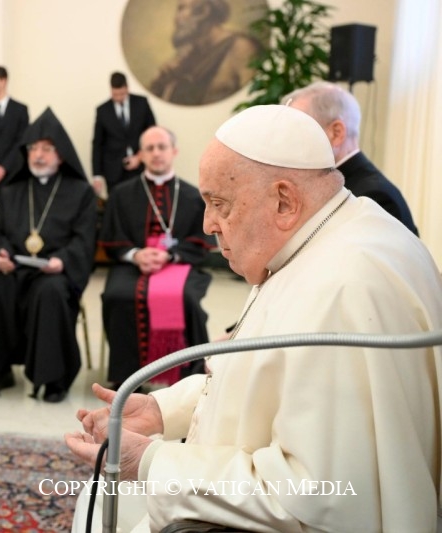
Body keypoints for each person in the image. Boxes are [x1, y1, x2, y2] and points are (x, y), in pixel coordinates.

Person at [66, 105, 442, 532]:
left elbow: (315, 497)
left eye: (219, 203)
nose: (208, 224)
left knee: (103, 510)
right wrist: (161, 409)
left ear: (284, 200)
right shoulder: (330, 236)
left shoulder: (343, 288)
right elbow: (261, 378)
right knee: (97, 501)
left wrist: (151, 460)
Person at [0, 108, 97, 403]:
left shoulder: (80, 192)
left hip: (54, 272)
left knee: (49, 292)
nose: (39, 155)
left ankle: (52, 380)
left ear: (61, 154)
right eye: (34, 148)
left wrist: (62, 260)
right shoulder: (11, 190)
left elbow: (84, 239)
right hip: (13, 268)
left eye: (47, 149)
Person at [100, 126, 212, 388]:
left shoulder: (193, 196)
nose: (156, 153)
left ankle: (187, 374)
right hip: (133, 264)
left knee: (185, 298)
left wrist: (169, 256)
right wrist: (136, 254)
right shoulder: (121, 194)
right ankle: (127, 377)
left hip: (178, 263)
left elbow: (200, 242)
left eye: (162, 147)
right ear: (141, 155)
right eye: (149, 148)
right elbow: (112, 239)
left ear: (174, 151)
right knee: (117, 296)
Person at [283, 81, 419, 235]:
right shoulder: (331, 185)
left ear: (336, 133)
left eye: (298, 130)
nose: (288, 141)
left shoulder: (375, 197)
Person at [150, 0, 263, 106]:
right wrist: (162, 83)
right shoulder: (188, 57)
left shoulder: (241, 48)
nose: (176, 18)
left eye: (182, 8)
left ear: (204, 11)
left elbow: (256, 99)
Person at [91, 72, 156, 197]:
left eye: (122, 94)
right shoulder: (102, 110)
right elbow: (97, 144)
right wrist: (97, 175)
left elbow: (152, 134)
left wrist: (139, 157)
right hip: (113, 170)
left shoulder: (141, 103)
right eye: (115, 94)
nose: (119, 98)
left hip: (141, 167)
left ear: (127, 88)